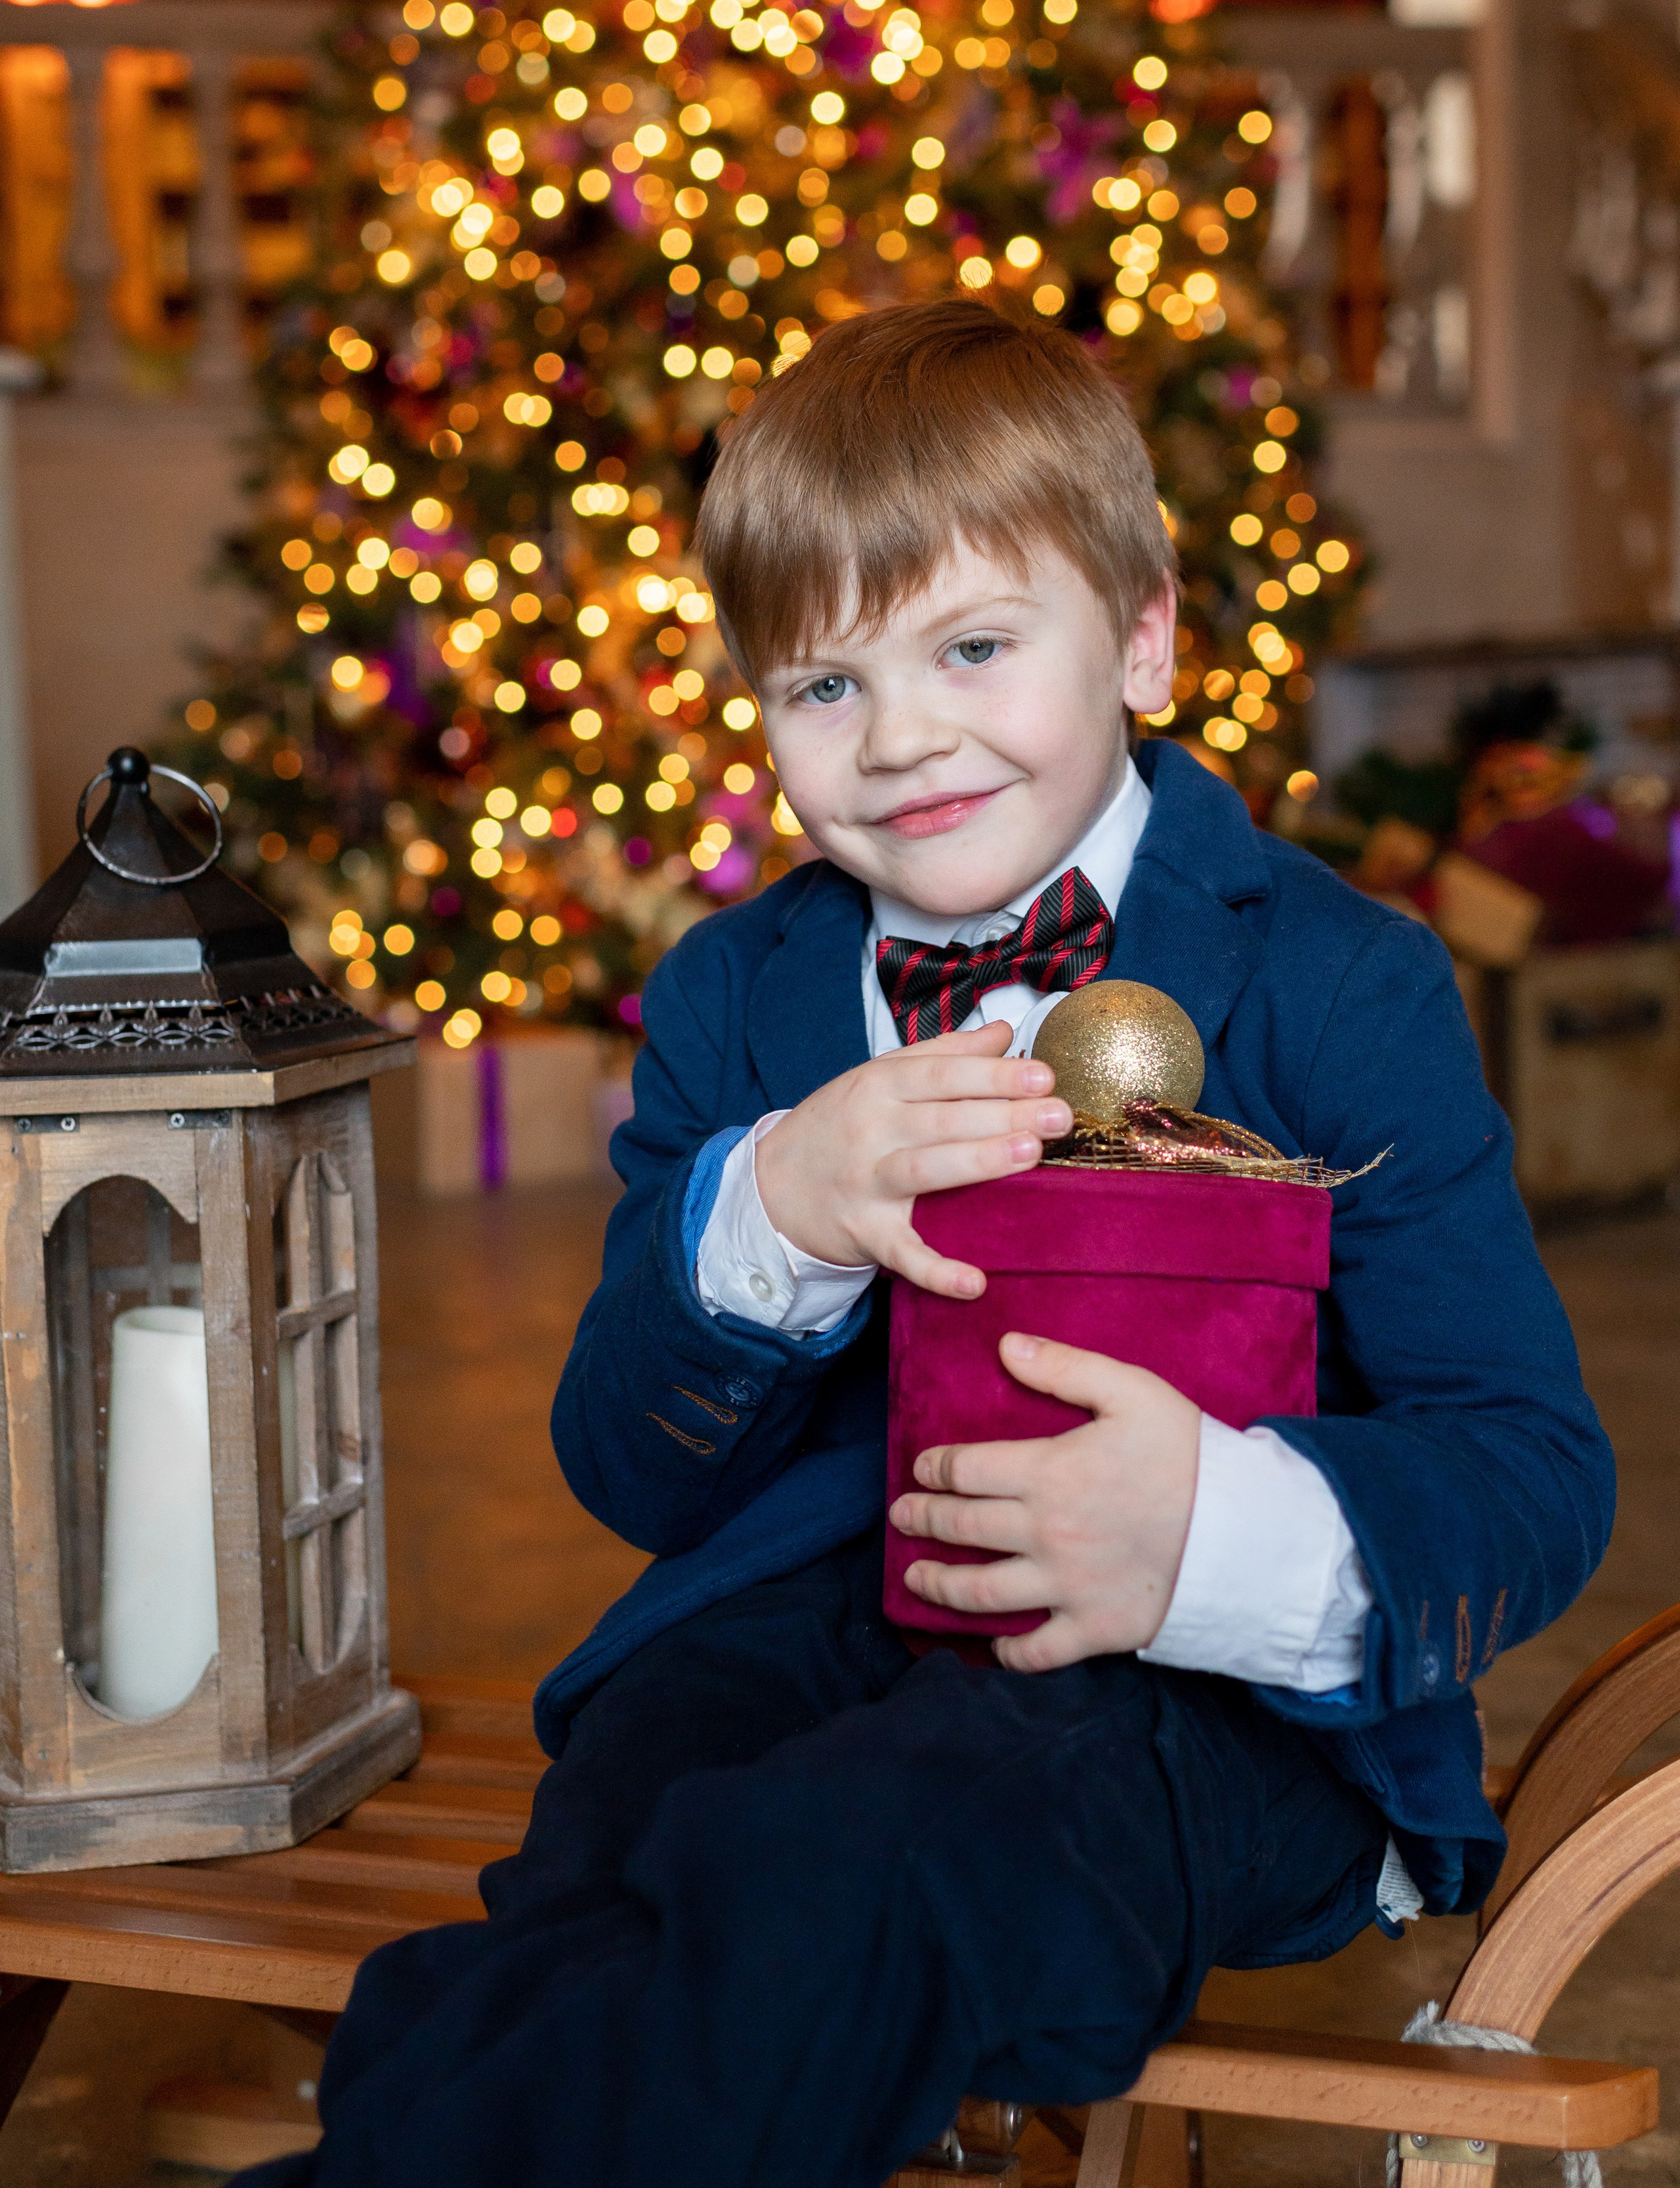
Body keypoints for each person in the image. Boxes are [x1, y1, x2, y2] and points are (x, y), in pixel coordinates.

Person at [240, 300, 1613, 2188]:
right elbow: (632, 1471)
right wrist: (771, 1214)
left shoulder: (1339, 979)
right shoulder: (739, 992)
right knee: (628, 1838)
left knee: (862, 1850)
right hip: (800, 1630)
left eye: (974, 647)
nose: (900, 741)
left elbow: (1532, 1471)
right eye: (825, 687)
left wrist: (1204, 1534)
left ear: (1141, 635)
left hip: (1201, 1710)